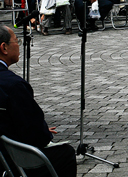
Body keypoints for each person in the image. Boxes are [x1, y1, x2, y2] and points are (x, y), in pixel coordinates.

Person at [0, 25, 77, 177]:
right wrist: (42, 131)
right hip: (12, 160)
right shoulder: (13, 85)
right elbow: (37, 136)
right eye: (17, 41)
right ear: (4, 47)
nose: (19, 45)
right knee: (65, 153)